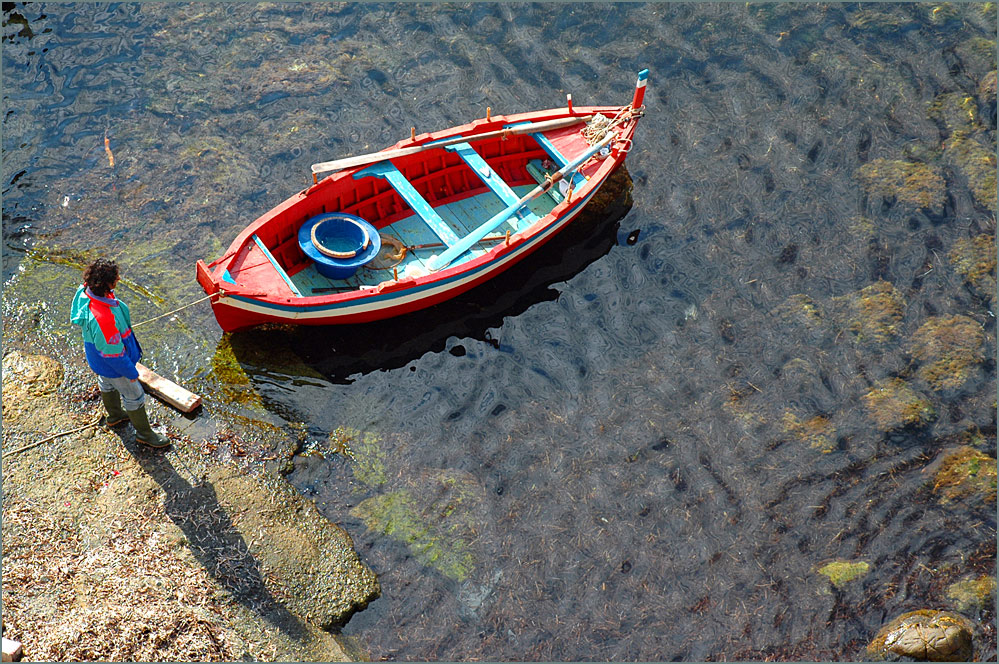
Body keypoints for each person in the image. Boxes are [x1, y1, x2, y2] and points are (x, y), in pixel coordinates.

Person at [70, 257, 170, 448]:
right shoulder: (104, 320)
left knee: (106, 383)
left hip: (97, 360)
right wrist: (131, 374)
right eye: (115, 277)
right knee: (134, 395)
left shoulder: (85, 292)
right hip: (113, 365)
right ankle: (144, 434)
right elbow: (114, 355)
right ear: (106, 283)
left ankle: (115, 416)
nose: (119, 278)